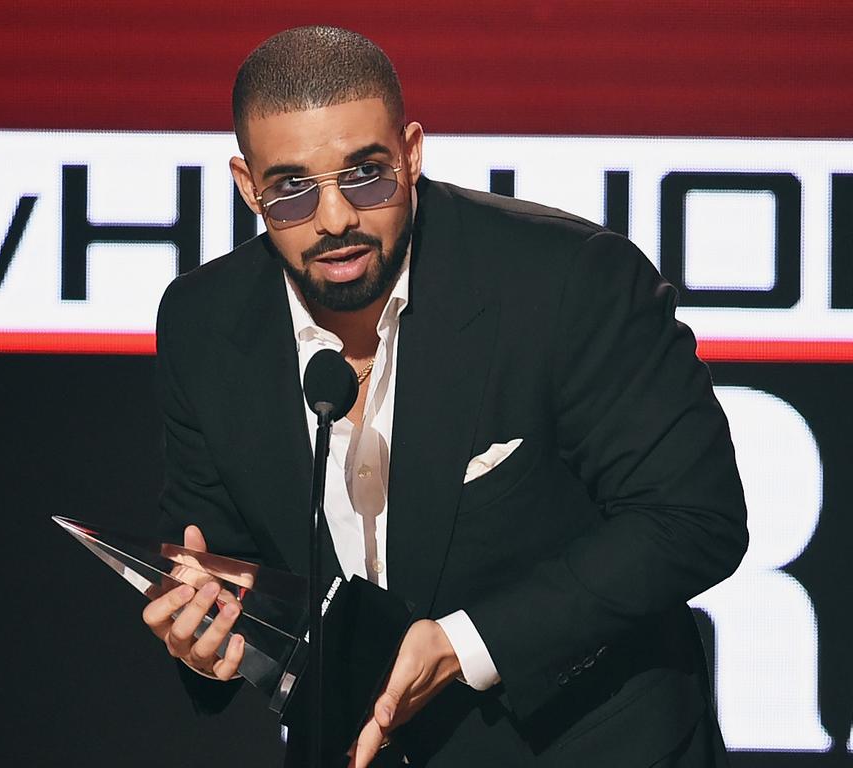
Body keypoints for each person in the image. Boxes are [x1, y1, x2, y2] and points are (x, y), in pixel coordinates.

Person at [142, 25, 748, 768]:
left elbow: (692, 519)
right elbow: (223, 566)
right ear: (247, 186)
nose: (335, 220)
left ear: (413, 154)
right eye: (292, 190)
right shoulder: (205, 323)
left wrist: (464, 643)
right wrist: (206, 637)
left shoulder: (567, 282)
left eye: (366, 175)